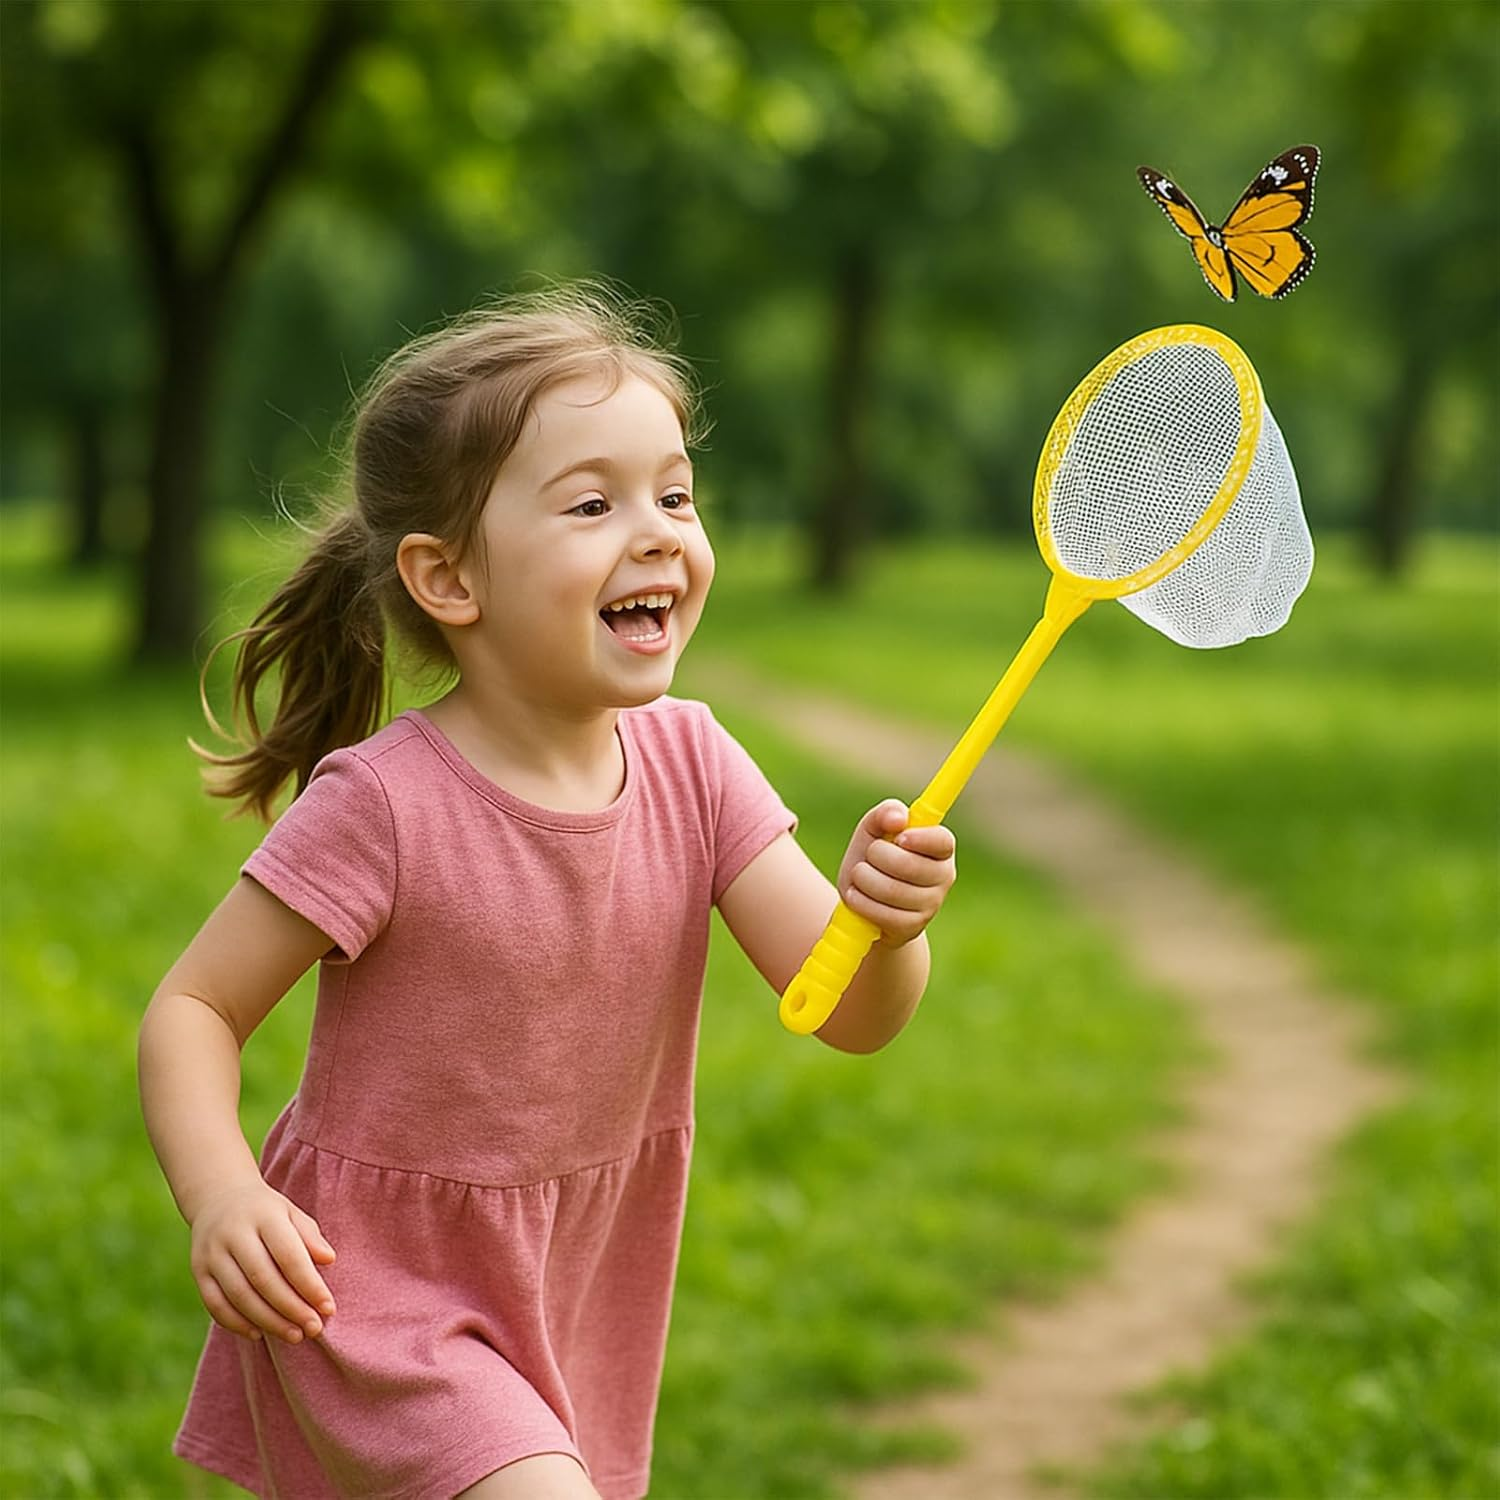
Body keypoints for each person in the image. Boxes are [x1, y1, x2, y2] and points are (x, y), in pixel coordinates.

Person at [138, 284, 958, 1500]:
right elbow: (193, 1011)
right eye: (593, 504)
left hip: (577, 1276)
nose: (659, 532)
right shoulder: (387, 803)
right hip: (373, 1289)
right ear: (448, 578)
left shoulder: (698, 765)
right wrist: (222, 1198)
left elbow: (849, 1011)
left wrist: (885, 930)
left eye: (675, 495)